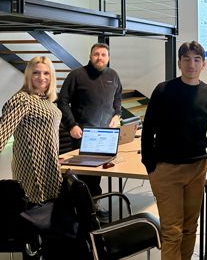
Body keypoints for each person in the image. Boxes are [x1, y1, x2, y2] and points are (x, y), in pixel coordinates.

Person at [141, 41, 207, 260]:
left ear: (203, 64)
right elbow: (148, 130)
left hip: (196, 169)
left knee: (189, 228)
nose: (191, 64)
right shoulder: (163, 90)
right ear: (179, 63)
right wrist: (150, 165)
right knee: (172, 231)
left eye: (196, 60)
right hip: (166, 170)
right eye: (186, 59)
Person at [58, 43, 122, 196]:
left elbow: (118, 97)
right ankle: (85, 208)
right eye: (96, 54)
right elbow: (62, 101)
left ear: (108, 58)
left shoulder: (113, 75)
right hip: (82, 135)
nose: (99, 57)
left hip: (105, 135)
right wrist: (71, 125)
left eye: (103, 54)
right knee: (85, 175)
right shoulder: (77, 75)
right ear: (90, 56)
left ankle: (94, 203)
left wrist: (117, 115)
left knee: (97, 172)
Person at [0, 56, 62, 204]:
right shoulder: (23, 99)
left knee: (49, 212)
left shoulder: (46, 100)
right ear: (29, 75)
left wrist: (54, 153)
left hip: (50, 164)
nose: (42, 77)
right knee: (35, 212)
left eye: (46, 73)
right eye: (36, 73)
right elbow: (2, 133)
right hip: (33, 168)